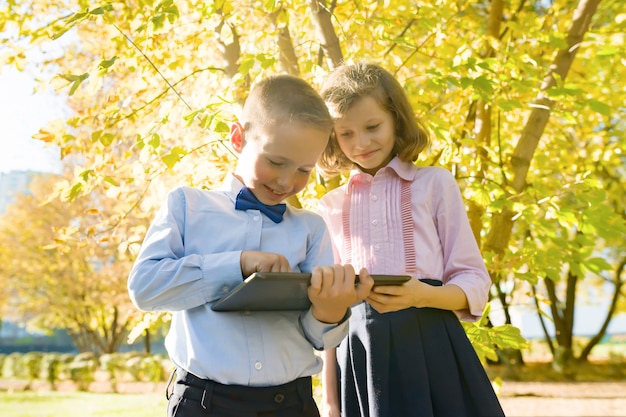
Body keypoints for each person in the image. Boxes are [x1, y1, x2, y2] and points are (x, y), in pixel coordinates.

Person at [128, 74, 374, 417]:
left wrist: (329, 312)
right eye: (275, 162)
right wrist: (237, 264)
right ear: (238, 138)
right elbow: (145, 289)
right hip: (204, 403)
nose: (287, 181)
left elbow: (320, 338)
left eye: (304, 169)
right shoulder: (186, 206)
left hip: (292, 404)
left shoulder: (311, 228)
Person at [316, 63, 505, 417]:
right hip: (361, 357)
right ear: (332, 137)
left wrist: (423, 295)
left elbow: (474, 281)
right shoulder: (329, 206)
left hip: (434, 348)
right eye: (346, 133)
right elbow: (332, 313)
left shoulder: (435, 184)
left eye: (373, 127)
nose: (361, 143)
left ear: (397, 119)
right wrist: (330, 400)